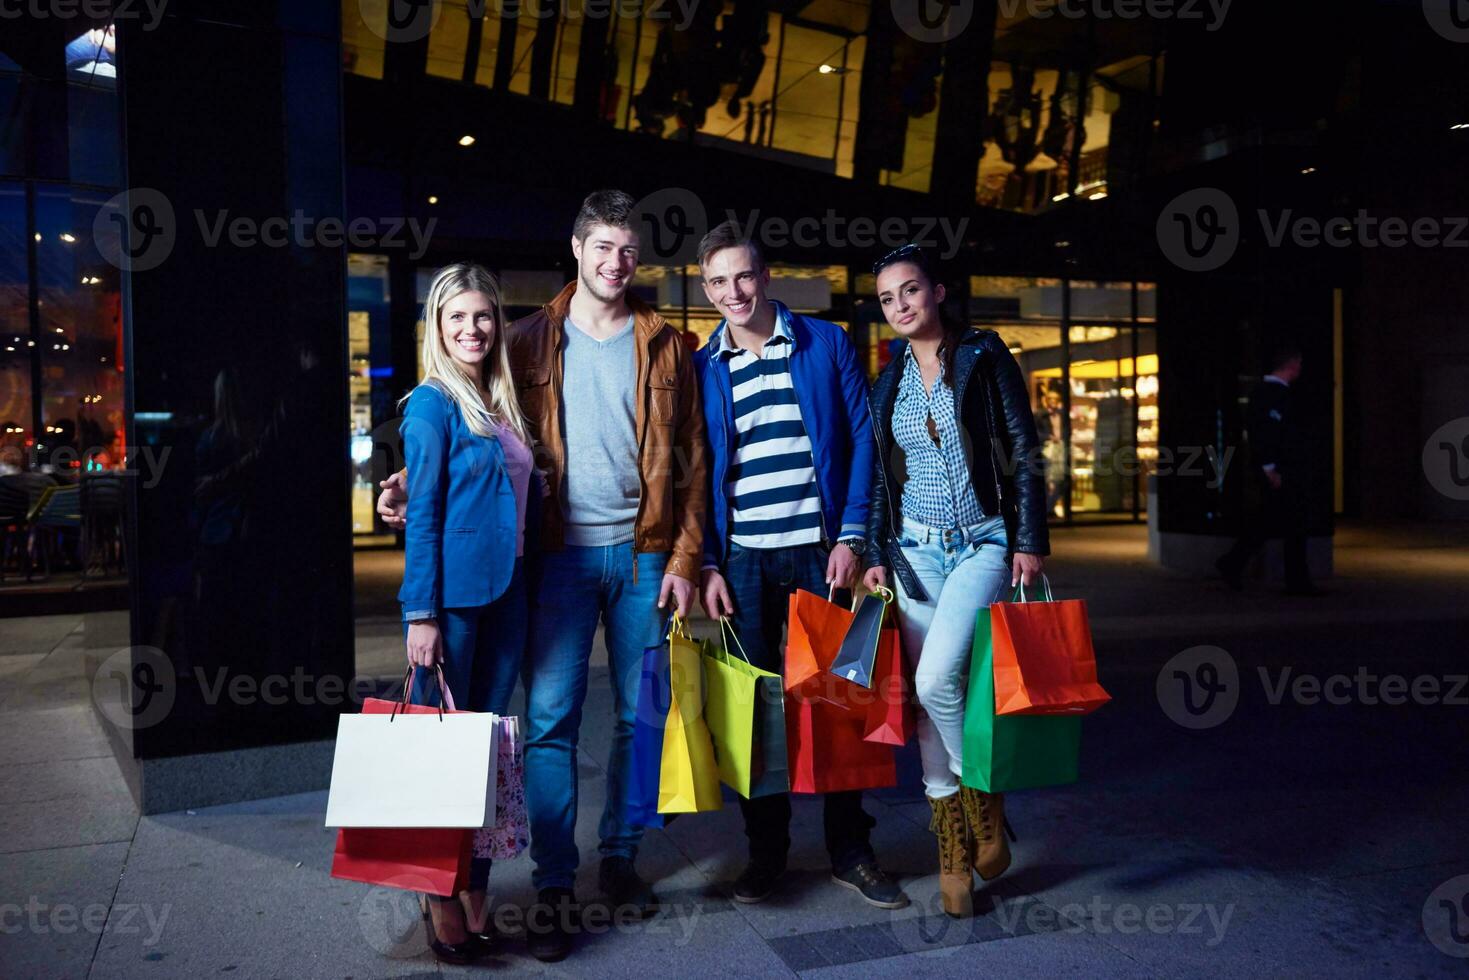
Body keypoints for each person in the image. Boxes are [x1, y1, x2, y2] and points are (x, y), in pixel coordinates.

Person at [379, 190, 708, 963]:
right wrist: (406, 484)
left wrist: (688, 558)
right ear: (576, 248)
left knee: (639, 716)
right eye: (601, 247)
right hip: (553, 558)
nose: (614, 262)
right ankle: (555, 882)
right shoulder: (524, 341)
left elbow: (694, 458)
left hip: (644, 552)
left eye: (627, 250)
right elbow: (459, 427)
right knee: (550, 721)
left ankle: (619, 857)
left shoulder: (665, 344)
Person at [693, 222, 906, 910]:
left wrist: (853, 535)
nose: (733, 292)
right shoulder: (705, 367)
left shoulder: (825, 342)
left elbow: (864, 443)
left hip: (823, 554)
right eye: (718, 281)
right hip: (744, 562)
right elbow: (698, 477)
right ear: (705, 288)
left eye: (743, 276)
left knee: (840, 703)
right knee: (755, 714)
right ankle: (767, 855)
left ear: (766, 275)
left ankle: (851, 849)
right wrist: (708, 564)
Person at [860, 245, 1049, 919]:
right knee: (920, 705)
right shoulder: (887, 385)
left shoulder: (984, 354)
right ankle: (953, 854)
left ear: (937, 292)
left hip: (981, 546)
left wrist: (1029, 537)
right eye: (887, 298)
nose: (900, 305)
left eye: (909, 291)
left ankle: (981, 800)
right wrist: (876, 550)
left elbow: (1022, 449)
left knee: (935, 679)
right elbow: (886, 478)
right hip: (914, 553)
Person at [392, 263, 536, 965]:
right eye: (457, 318)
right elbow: (421, 516)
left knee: (484, 760)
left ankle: (476, 890)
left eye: (482, 316)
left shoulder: (498, 401)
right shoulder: (428, 404)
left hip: (506, 597)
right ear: (437, 328)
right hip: (451, 607)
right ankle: (440, 897)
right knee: (440, 762)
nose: (472, 329)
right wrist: (420, 613)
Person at [1215, 344, 1320, 595]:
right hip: (1281, 470)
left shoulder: (1264, 393)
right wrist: (1270, 467)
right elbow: (1266, 433)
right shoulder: (1274, 395)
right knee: (1291, 523)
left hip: (1276, 468)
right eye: (1299, 364)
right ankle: (1296, 581)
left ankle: (1234, 562)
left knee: (1269, 521)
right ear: (1292, 365)